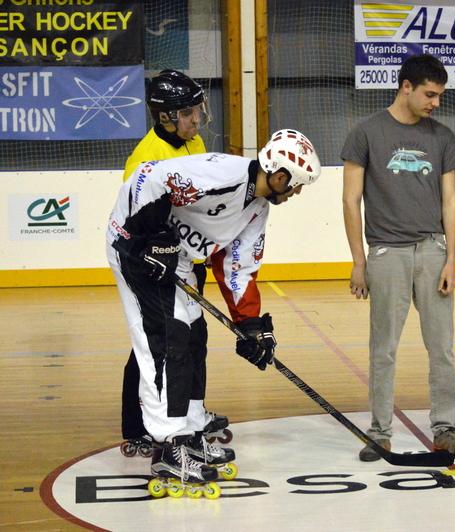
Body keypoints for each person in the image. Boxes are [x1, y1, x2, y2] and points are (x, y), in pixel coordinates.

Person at [107, 129, 320, 494]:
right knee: (165, 339)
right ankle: (168, 442)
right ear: (281, 176)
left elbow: (237, 269)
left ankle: (188, 428)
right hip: (134, 248)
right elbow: (147, 178)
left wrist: (251, 326)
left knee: (193, 337)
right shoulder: (222, 175)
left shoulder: (256, 210)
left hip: (180, 258)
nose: (296, 192)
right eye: (297, 185)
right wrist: (147, 238)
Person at [341, 54, 455, 461]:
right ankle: (380, 432)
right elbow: (350, 200)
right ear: (406, 87)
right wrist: (359, 260)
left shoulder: (443, 137)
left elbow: (451, 202)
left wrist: (452, 259)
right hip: (386, 254)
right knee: (383, 348)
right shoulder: (365, 133)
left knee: (442, 348)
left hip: (434, 251)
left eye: (440, 95)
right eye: (430, 94)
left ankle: (447, 429)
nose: (436, 102)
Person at [119, 69, 229, 459]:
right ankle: (138, 428)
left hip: (187, 256)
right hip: (155, 258)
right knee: (154, 344)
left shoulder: (193, 141)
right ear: (165, 116)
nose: (197, 119)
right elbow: (134, 218)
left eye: (197, 110)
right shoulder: (146, 158)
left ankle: (188, 414)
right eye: (188, 112)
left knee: (189, 337)